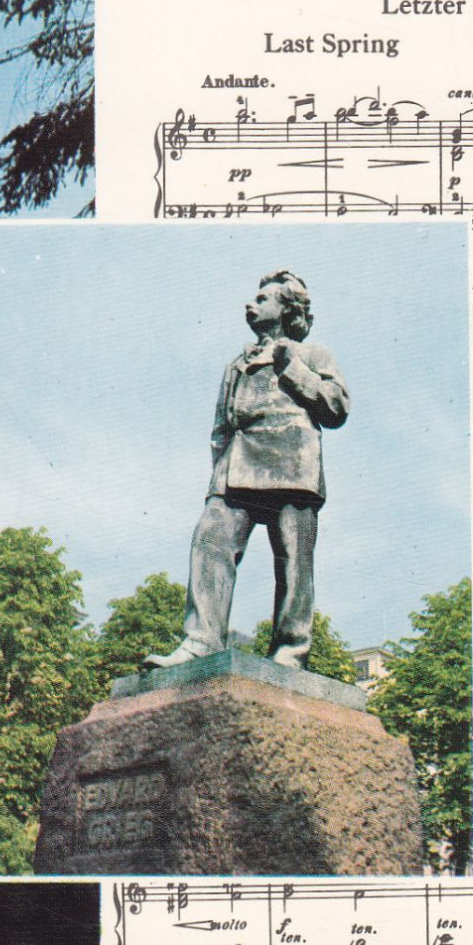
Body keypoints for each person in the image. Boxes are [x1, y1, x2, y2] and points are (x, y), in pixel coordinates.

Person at [145, 269, 350, 671]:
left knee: (293, 561)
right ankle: (201, 640)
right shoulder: (236, 363)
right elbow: (220, 426)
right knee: (210, 539)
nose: (251, 304)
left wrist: (292, 367)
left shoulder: (314, 355)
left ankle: (291, 652)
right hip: (236, 467)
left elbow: (336, 407)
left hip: (294, 466)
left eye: (263, 298)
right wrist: (219, 472)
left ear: (287, 308)